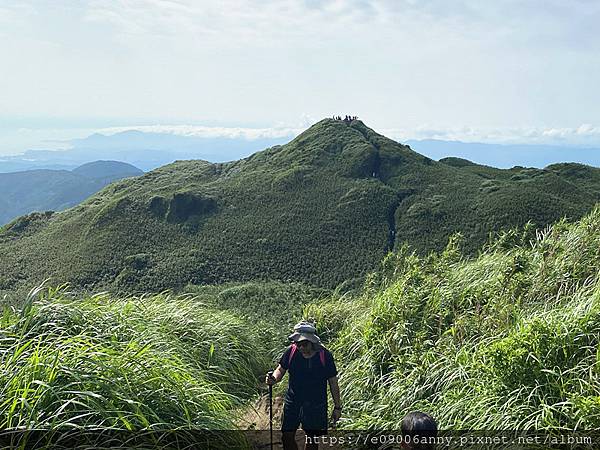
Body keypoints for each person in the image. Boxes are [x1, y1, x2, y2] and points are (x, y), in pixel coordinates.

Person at [265, 321, 342, 450]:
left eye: (304, 344)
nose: (301, 348)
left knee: (312, 440)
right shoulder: (291, 352)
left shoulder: (324, 356)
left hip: (316, 403)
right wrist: (274, 378)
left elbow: (333, 382)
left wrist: (337, 407)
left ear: (312, 342)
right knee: (287, 436)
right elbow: (281, 369)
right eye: (297, 344)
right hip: (293, 400)